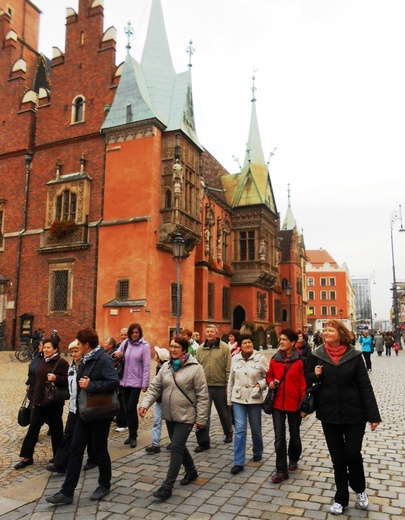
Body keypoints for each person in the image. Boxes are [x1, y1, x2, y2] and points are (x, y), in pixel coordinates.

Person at [307, 319, 381, 515]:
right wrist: (314, 375)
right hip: (329, 414)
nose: (326, 332)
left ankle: (360, 490)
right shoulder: (318, 355)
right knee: (338, 458)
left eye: (330, 329)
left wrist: (373, 415)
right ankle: (341, 498)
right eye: (324, 330)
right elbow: (307, 379)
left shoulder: (355, 356)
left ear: (341, 334)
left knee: (352, 454)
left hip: (354, 414)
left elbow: (365, 386)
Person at [46, 327, 120, 505]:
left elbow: (114, 382)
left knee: (100, 449)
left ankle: (104, 484)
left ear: (86, 344)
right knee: (75, 449)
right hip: (83, 412)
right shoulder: (85, 358)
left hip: (99, 413)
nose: (77, 346)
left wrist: (91, 385)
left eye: (79, 343)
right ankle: (67, 492)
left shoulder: (102, 359)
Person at [139, 335, 209, 501]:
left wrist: (201, 419)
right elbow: (155, 387)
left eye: (177, 346)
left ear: (184, 349)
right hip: (169, 414)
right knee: (179, 446)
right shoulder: (166, 367)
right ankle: (191, 471)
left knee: (176, 447)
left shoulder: (195, 368)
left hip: (186, 415)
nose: (173, 349)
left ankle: (167, 486)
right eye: (171, 346)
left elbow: (203, 395)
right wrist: (144, 404)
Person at [15, 337, 69, 470]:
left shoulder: (61, 363)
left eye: (49, 347)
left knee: (56, 431)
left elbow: (68, 380)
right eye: (44, 347)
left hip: (53, 402)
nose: (45, 349)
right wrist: (30, 388)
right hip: (39, 401)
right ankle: (27, 457)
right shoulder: (42, 360)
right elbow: (35, 377)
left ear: (55, 349)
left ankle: (59, 458)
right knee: (33, 428)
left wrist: (57, 378)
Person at [46, 340, 97, 475]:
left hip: (87, 407)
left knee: (90, 435)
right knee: (68, 434)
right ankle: (61, 464)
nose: (74, 354)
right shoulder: (72, 367)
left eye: (76, 351)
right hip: (74, 407)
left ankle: (93, 458)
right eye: (72, 352)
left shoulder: (88, 366)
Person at [266, 329, 307, 483]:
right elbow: (269, 374)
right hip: (277, 404)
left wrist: (304, 406)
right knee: (279, 438)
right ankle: (281, 470)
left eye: (284, 339)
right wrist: (270, 382)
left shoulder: (300, 362)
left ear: (292, 343)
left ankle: (294, 458)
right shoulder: (274, 359)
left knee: (294, 435)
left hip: (294, 405)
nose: (281, 342)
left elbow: (303, 385)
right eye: (280, 339)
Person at [227, 333, 268, 475]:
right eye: (244, 343)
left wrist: (260, 385)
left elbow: (268, 377)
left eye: (249, 342)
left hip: (254, 398)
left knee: (256, 429)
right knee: (240, 429)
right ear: (240, 345)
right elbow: (231, 380)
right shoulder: (235, 359)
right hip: (238, 398)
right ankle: (238, 461)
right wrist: (229, 399)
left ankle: (258, 451)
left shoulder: (260, 358)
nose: (247, 345)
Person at [195, 324, 233, 452]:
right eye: (208, 332)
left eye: (212, 332)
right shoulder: (200, 349)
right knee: (203, 414)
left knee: (223, 412)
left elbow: (229, 368)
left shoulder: (224, 348)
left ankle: (228, 432)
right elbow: (197, 368)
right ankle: (204, 441)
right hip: (204, 386)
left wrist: (229, 385)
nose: (210, 334)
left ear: (217, 333)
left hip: (220, 386)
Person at [112, 322, 150, 448]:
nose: (134, 335)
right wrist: (116, 354)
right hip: (124, 381)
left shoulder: (145, 346)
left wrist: (145, 383)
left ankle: (134, 435)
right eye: (132, 332)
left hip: (136, 382)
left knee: (131, 408)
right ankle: (130, 434)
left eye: (136, 332)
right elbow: (115, 354)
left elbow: (146, 366)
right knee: (126, 408)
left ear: (140, 333)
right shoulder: (125, 343)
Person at [144, 346, 170, 454]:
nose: (154, 355)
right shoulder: (158, 367)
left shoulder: (166, 368)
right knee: (157, 421)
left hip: (167, 400)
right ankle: (156, 444)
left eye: (156, 354)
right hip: (159, 400)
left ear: (159, 358)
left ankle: (174, 441)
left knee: (169, 421)